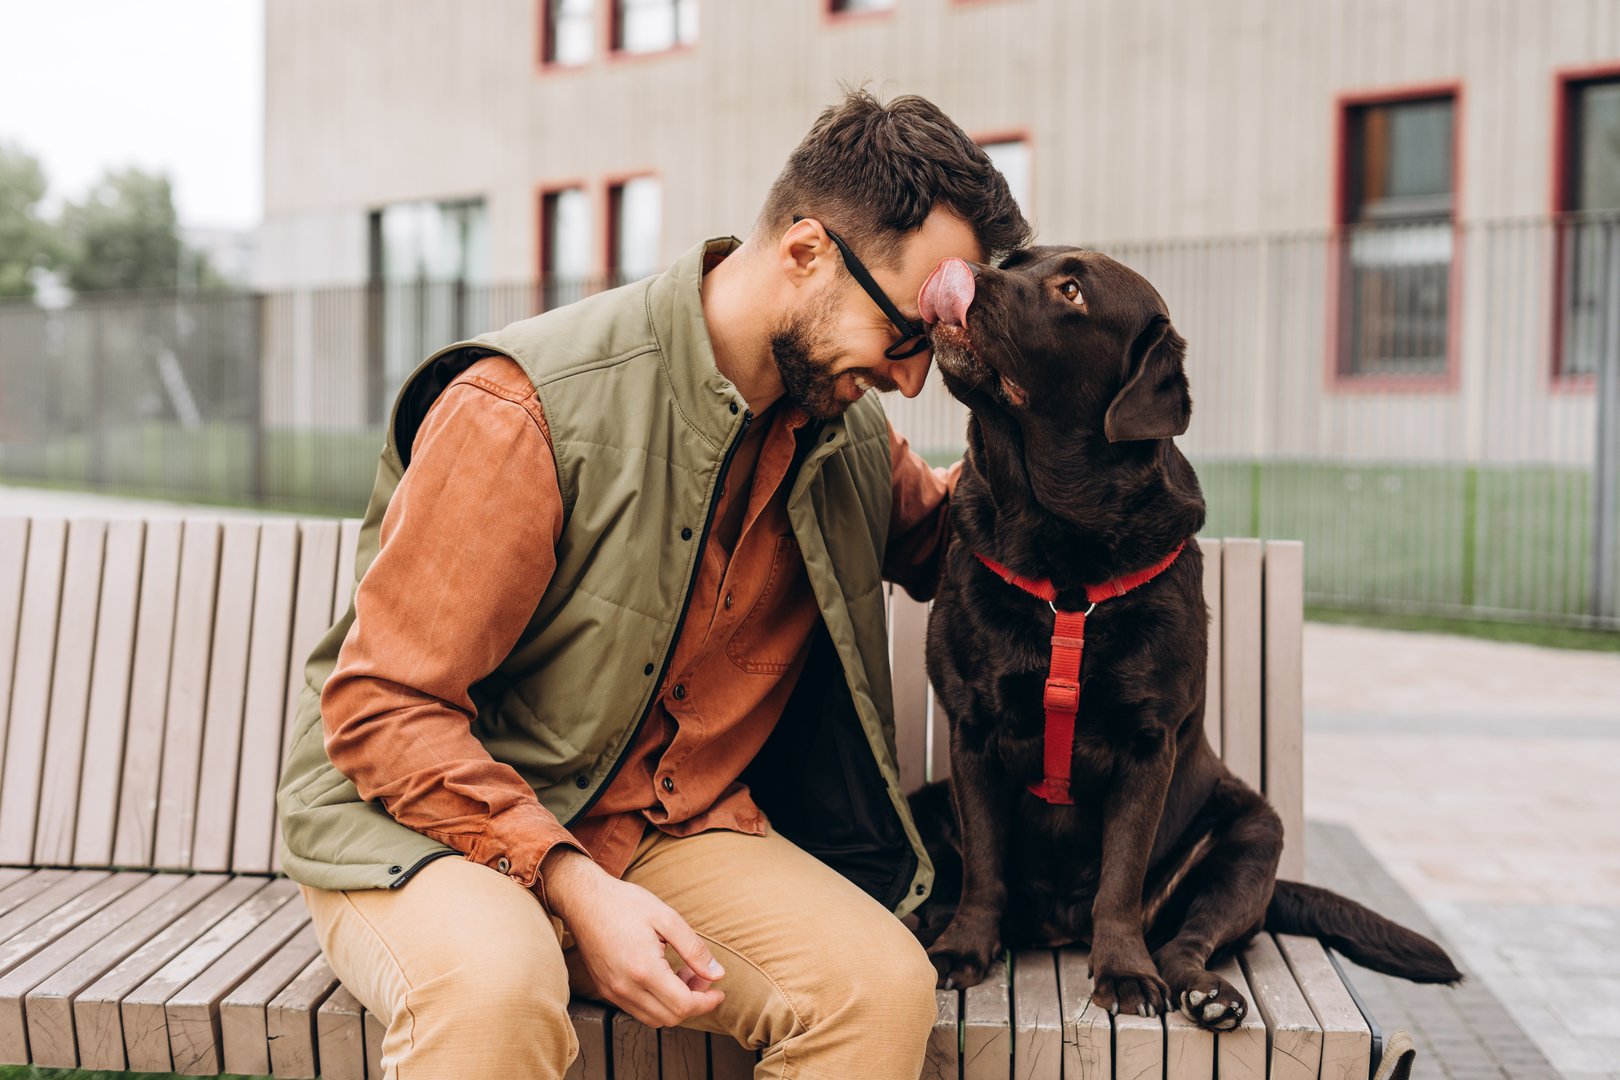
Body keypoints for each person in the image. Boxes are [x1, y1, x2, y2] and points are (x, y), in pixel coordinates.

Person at [276, 88, 1031, 1079]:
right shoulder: (528, 410)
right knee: (496, 991)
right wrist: (575, 891)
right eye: (903, 335)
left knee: (880, 992)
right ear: (806, 253)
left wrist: (1056, 397)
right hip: (429, 818)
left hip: (662, 826)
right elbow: (381, 710)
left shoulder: (845, 435)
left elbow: (955, 548)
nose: (908, 381)